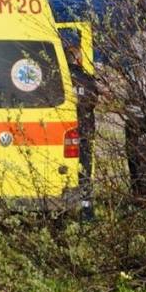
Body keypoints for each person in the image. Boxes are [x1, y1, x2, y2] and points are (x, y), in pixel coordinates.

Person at [66, 45, 98, 219]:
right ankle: (86, 209)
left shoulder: (59, 76)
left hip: (63, 131)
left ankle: (66, 203)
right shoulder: (87, 79)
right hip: (84, 129)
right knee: (84, 169)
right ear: (79, 59)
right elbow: (93, 102)